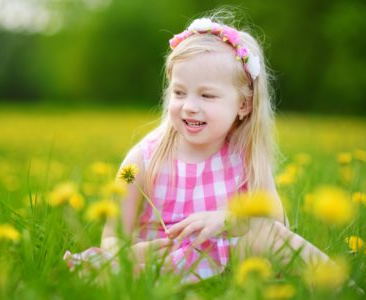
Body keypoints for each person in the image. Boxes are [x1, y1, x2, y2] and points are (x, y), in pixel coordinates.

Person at [64, 13, 334, 284]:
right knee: (104, 277)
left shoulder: (245, 158)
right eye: (180, 93)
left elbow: (277, 223)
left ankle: (343, 287)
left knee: (268, 236)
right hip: (154, 267)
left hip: (226, 265)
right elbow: (112, 236)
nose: (189, 105)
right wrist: (135, 253)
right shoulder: (140, 161)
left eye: (206, 95)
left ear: (244, 105)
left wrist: (227, 220)